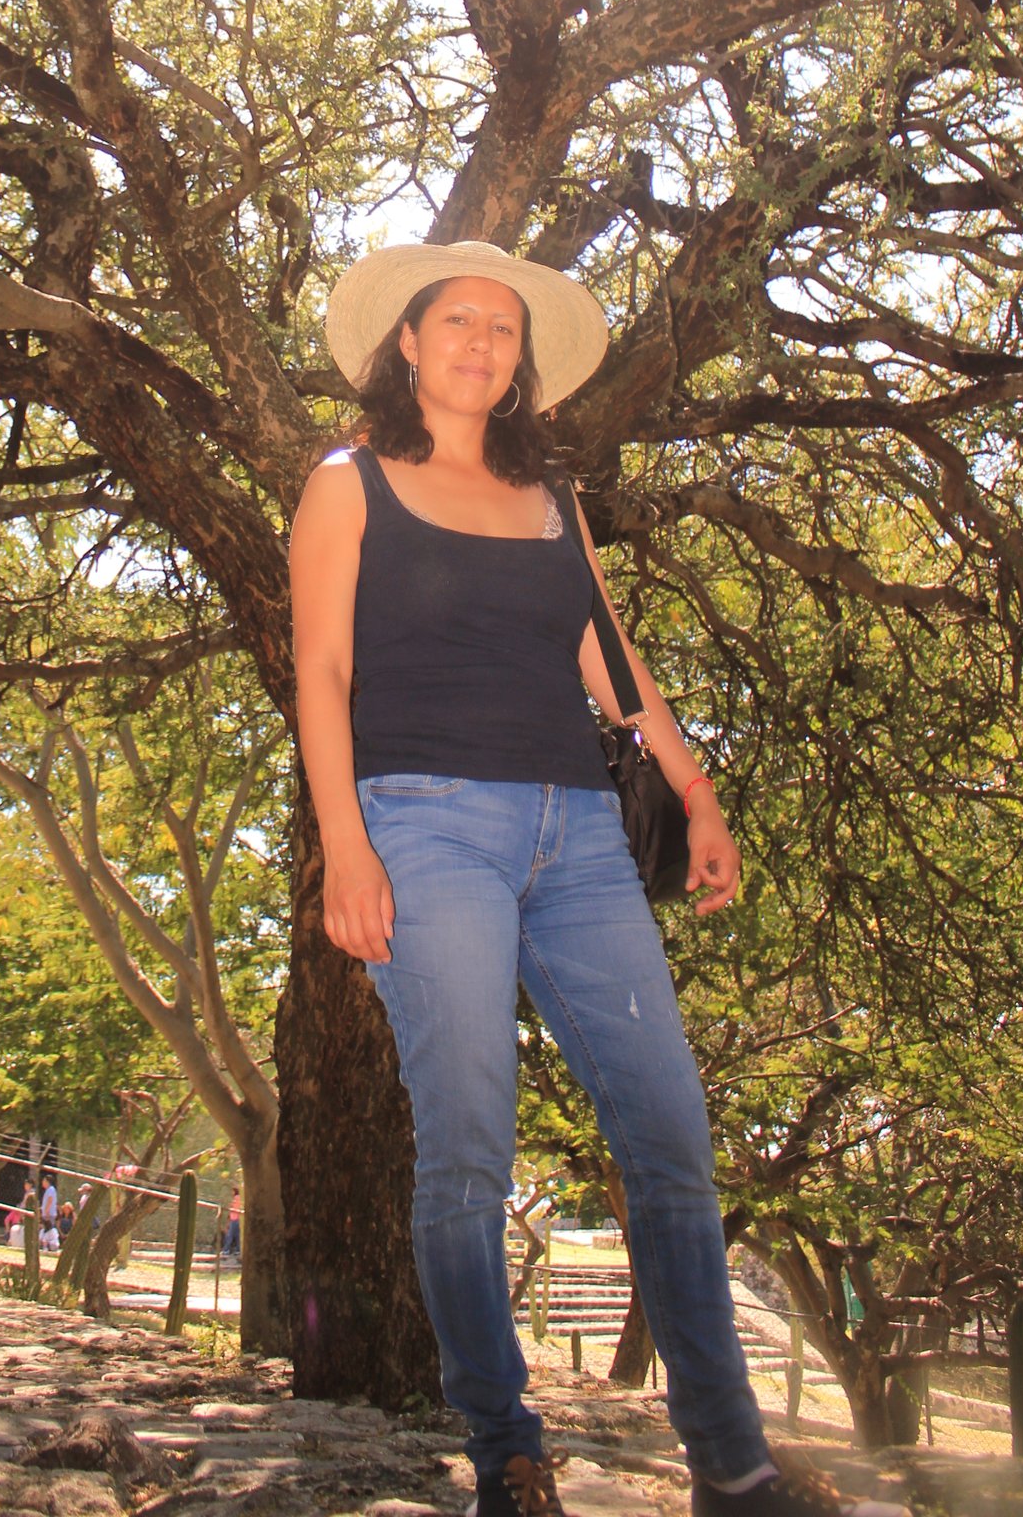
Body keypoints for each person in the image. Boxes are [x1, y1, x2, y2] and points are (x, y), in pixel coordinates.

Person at [289, 241, 902, 1517]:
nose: (480, 343)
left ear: (519, 361)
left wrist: (696, 793)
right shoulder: (346, 486)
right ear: (407, 343)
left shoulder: (550, 493)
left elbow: (612, 665)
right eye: (456, 320)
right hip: (423, 827)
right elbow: (324, 678)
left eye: (502, 329)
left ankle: (730, 1465)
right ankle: (506, 1447)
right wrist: (346, 848)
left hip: (580, 839)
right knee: (467, 1147)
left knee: (671, 1140)